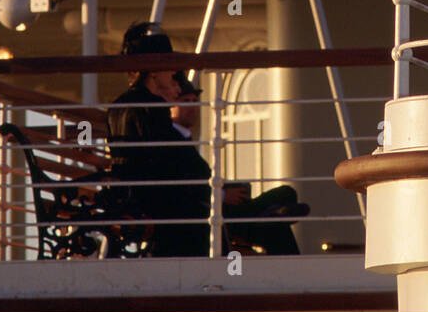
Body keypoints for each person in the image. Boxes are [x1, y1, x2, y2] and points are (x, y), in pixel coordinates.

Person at [106, 21, 308, 257]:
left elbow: (165, 165)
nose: (173, 72)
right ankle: (276, 227)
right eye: (169, 66)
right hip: (173, 205)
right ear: (153, 71)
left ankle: (272, 218)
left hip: (154, 198)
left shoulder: (120, 105)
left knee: (274, 216)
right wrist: (217, 193)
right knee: (275, 222)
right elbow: (171, 169)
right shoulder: (152, 108)